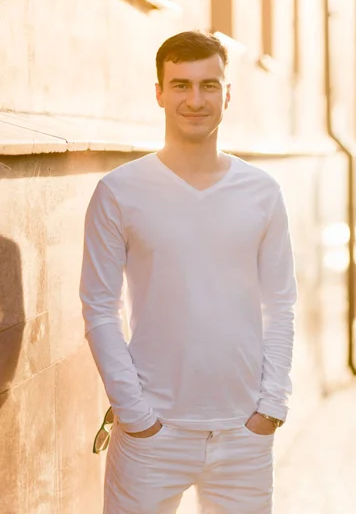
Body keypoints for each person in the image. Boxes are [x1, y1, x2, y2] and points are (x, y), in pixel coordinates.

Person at [80, 30, 297, 514]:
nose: (195, 99)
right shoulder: (120, 191)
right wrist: (136, 416)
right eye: (180, 85)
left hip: (244, 434)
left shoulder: (262, 192)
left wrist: (271, 408)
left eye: (208, 85)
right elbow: (98, 306)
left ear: (227, 94)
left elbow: (279, 303)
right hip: (152, 436)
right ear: (158, 92)